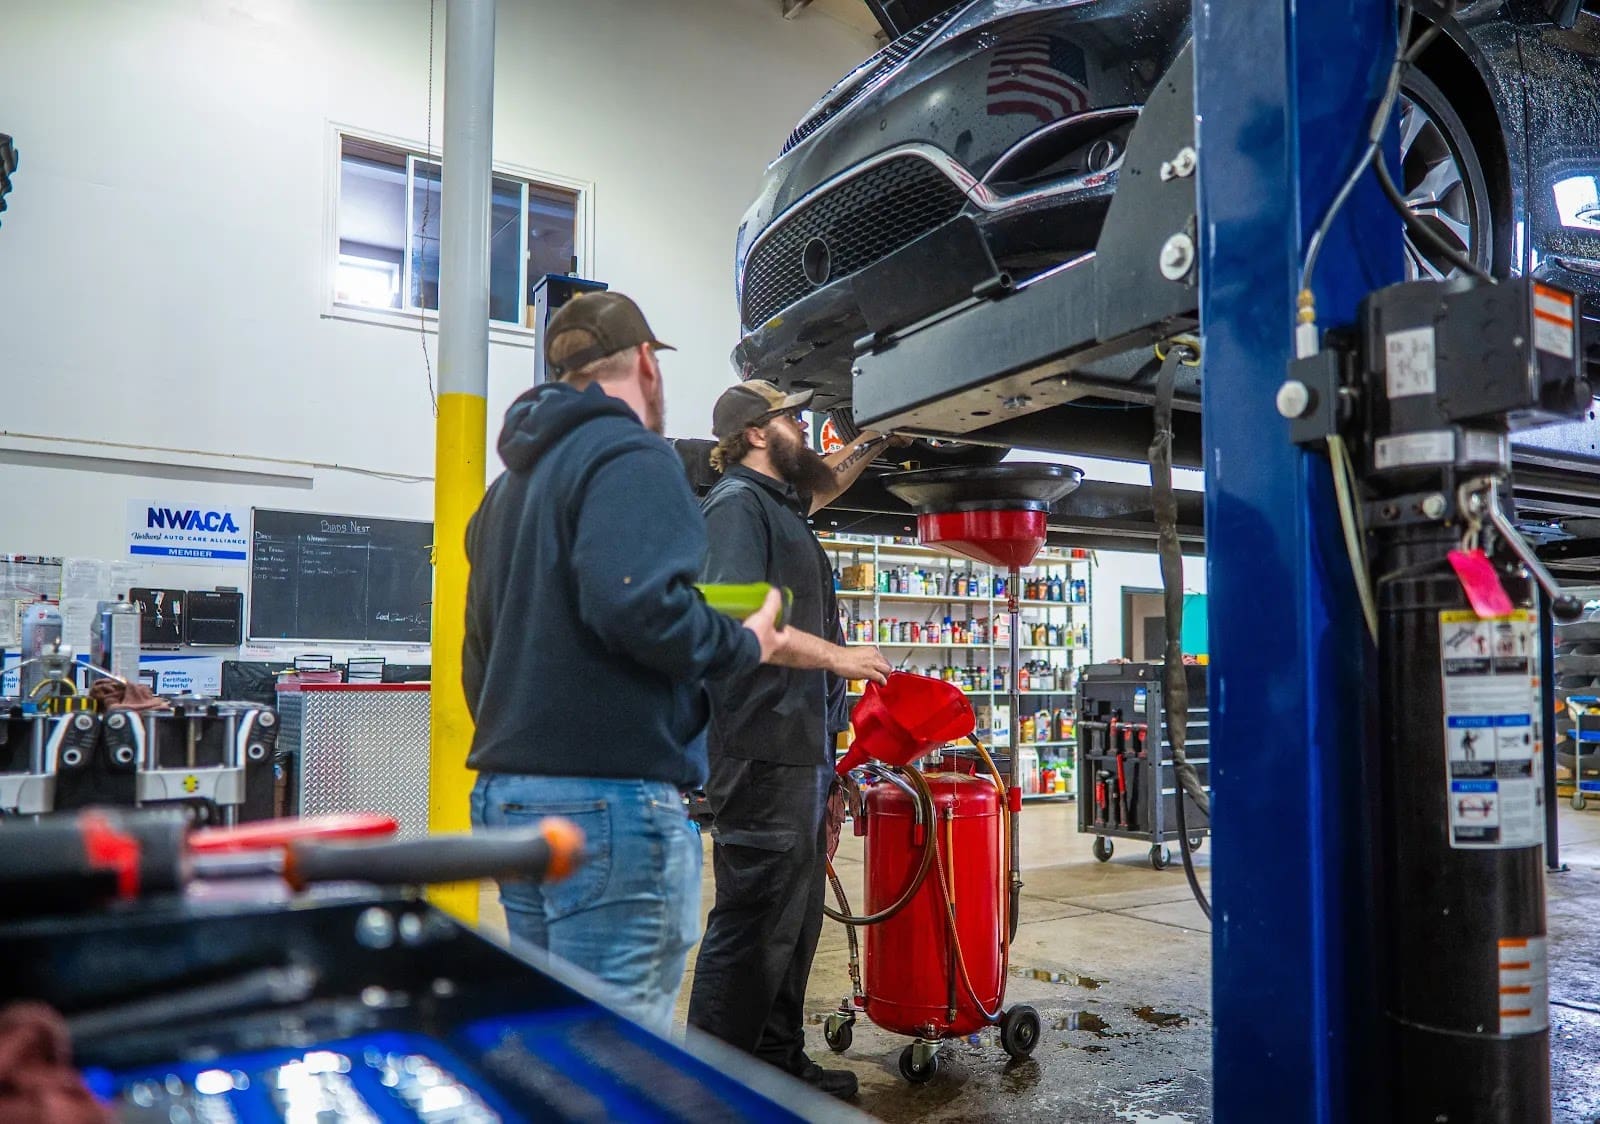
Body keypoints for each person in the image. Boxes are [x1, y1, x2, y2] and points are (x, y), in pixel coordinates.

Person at [462, 293, 841, 1031]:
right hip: (608, 806)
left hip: (509, 798)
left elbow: (479, 644)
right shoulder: (632, 454)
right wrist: (746, 640)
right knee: (618, 1058)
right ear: (644, 363)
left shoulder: (507, 489)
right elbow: (639, 608)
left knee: (556, 1041)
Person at [687, 379, 896, 1099]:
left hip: (801, 745)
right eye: (791, 419)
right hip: (760, 747)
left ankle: (776, 1061)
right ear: (753, 434)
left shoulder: (778, 505)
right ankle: (711, 1089)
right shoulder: (736, 509)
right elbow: (742, 622)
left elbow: (827, 481)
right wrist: (842, 658)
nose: (803, 429)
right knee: (751, 922)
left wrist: (883, 436)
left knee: (794, 919)